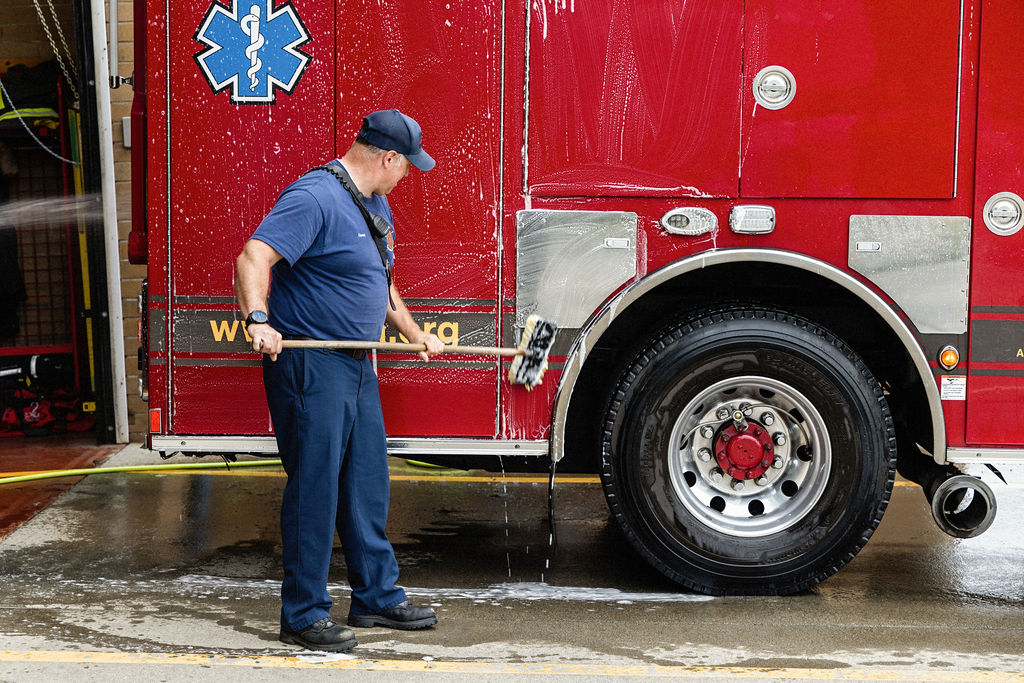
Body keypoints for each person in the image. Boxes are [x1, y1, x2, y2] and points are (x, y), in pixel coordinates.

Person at [234, 109, 445, 652]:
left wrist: (415, 333)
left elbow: (382, 283)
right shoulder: (315, 197)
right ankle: (303, 614)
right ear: (388, 157)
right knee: (315, 490)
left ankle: (375, 596)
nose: (408, 175)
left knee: (366, 484)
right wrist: (259, 320)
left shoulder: (375, 203)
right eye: (407, 165)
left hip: (357, 363)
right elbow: (254, 255)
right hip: (312, 365)